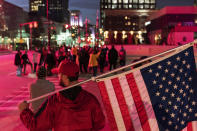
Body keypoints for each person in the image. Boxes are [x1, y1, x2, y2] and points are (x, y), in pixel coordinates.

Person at [18, 60, 105, 131]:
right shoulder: (91, 99)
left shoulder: (54, 101)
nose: (58, 76)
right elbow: (100, 123)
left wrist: (24, 111)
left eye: (59, 74)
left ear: (64, 77)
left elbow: (36, 125)